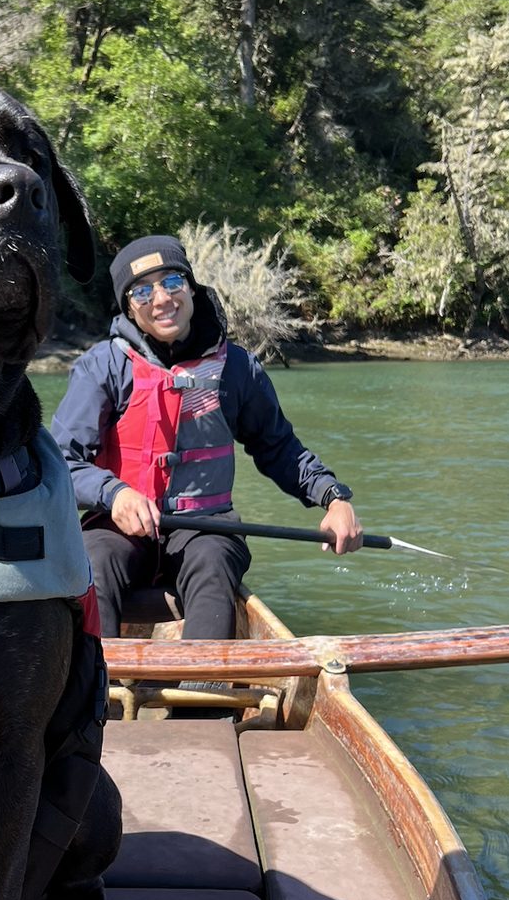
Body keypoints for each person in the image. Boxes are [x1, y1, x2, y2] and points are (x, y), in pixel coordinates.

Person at [51, 234, 363, 643]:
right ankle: (96, 695)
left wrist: (334, 497)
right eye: (142, 290)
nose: (161, 298)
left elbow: (280, 448)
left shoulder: (237, 368)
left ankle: (203, 701)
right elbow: (60, 463)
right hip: (118, 526)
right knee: (92, 563)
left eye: (173, 282)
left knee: (215, 562)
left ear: (192, 288)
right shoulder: (102, 367)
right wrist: (115, 494)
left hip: (205, 527)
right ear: (128, 306)